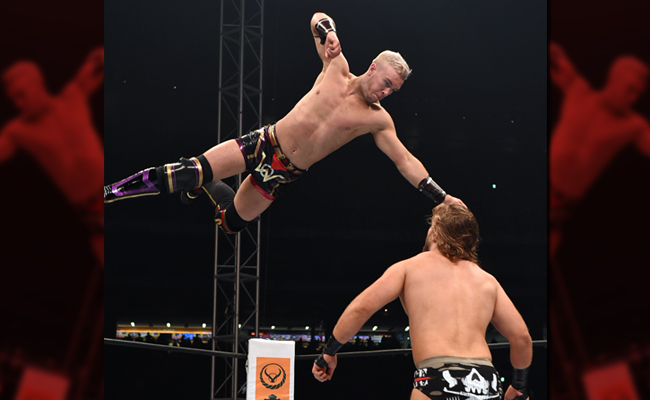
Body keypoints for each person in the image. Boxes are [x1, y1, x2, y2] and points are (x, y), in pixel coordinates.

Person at [104, 12, 465, 234]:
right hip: (263, 142)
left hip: (283, 173)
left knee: (230, 224)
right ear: (372, 68)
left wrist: (443, 196)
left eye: (393, 90)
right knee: (189, 171)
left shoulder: (378, 120)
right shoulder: (336, 66)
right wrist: (329, 31)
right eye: (386, 83)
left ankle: (208, 186)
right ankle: (108, 193)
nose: (386, 92)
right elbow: (316, 17)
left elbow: (405, 160)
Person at [311, 204, 532, 400]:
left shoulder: (409, 268)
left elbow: (361, 308)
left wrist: (329, 352)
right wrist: (519, 386)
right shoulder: (487, 281)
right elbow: (521, 337)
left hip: (437, 375)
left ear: (435, 233)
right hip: (485, 380)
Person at [0, 48, 105, 266]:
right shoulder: (18, 130)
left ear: (36, 83)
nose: (18, 103)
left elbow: (99, 59)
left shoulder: (73, 95)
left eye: (21, 94)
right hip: (92, 214)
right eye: (13, 98)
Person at [549, 42, 650, 261]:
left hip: (563, 207)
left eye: (638, 94)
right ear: (615, 78)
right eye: (630, 89)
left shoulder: (633, 125)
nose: (633, 98)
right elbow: (555, 56)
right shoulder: (578, 90)